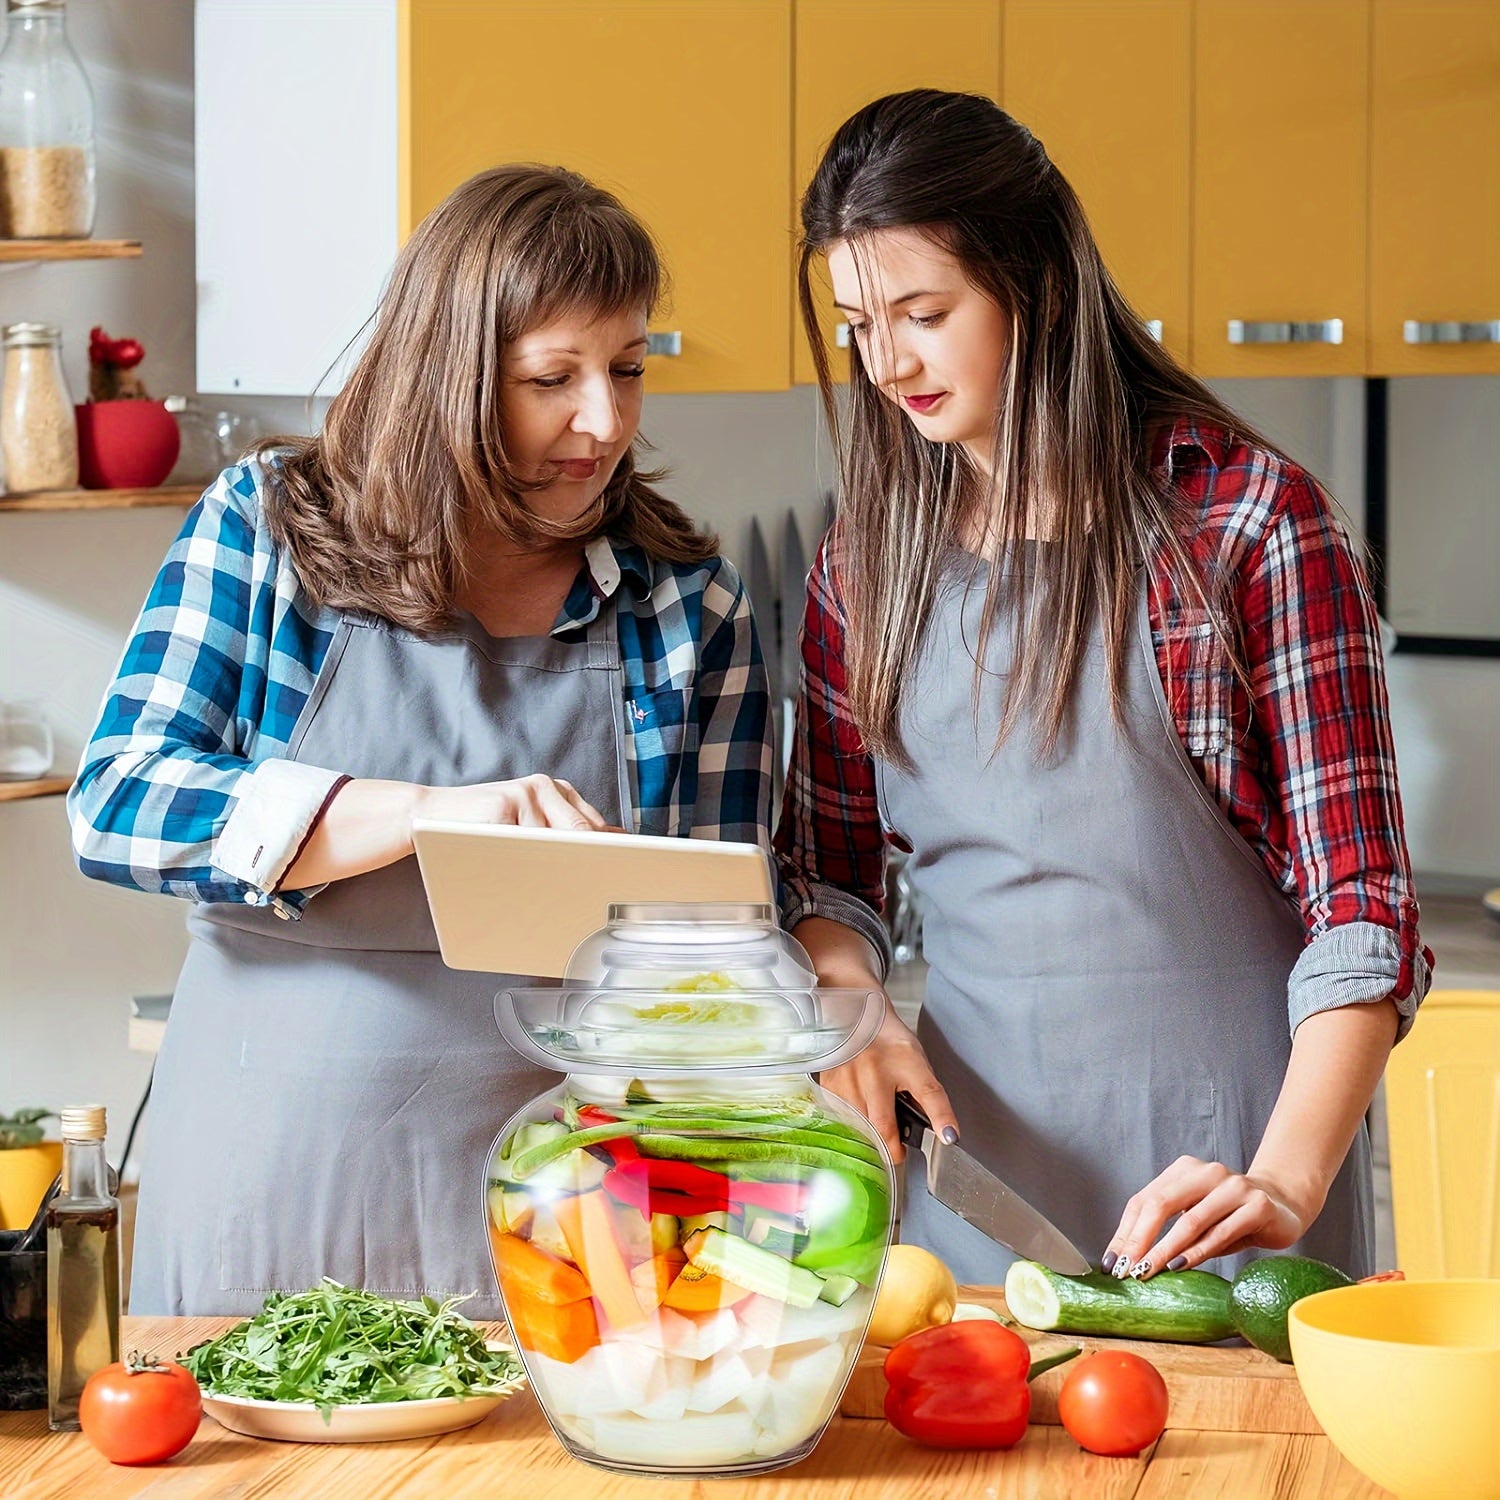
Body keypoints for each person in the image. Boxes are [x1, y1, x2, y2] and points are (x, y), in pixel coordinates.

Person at [69, 165, 773, 1316]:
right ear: (450, 374)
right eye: (553, 378)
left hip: (564, 1219)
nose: (603, 420)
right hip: (267, 1174)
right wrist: (422, 814)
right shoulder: (271, 530)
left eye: (631, 368)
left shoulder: (687, 608)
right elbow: (118, 803)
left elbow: (712, 949)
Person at [775, 90, 1430, 1285]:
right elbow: (827, 874)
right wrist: (850, 1003)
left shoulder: (1249, 525)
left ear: (1041, 287)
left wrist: (1284, 1179)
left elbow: (1365, 908)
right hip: (973, 1201)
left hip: (1229, 1182)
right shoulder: (862, 567)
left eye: (924, 313)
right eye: (860, 324)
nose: (887, 364)